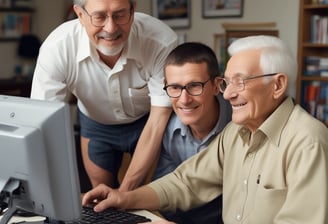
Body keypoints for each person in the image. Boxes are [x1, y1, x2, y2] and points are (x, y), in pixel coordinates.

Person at [81, 35, 328, 223]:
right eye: (227, 83)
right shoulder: (235, 133)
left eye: (239, 82)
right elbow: (186, 183)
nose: (229, 94)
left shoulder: (308, 141)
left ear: (278, 85)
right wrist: (123, 197)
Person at [30, 0, 178, 189]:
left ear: (133, 11)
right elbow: (44, 126)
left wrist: (124, 194)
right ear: (80, 15)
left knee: (145, 195)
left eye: (120, 15)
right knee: (100, 198)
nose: (110, 28)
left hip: (148, 121)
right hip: (95, 123)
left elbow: (158, 120)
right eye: (99, 17)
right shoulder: (57, 48)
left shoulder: (160, 41)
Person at [152, 42, 231, 223]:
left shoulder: (240, 125)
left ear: (216, 85)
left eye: (194, 86)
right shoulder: (168, 130)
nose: (184, 99)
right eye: (175, 87)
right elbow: (166, 195)